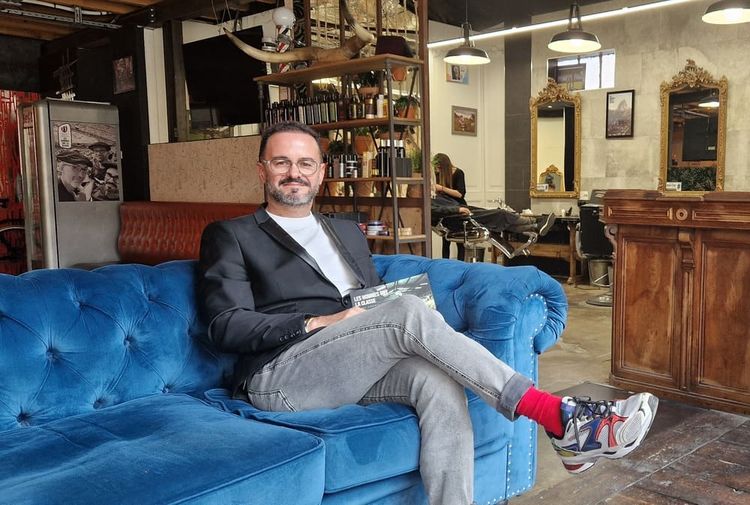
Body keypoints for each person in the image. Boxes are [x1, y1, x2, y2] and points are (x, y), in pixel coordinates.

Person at [198, 121, 658, 505]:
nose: (293, 173)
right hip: (281, 378)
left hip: (351, 365)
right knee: (404, 311)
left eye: (305, 164)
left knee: (436, 381)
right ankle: (558, 417)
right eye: (282, 162)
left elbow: (367, 303)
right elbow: (225, 325)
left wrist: (400, 318)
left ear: (321, 174)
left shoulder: (345, 232)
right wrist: (318, 322)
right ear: (262, 170)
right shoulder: (233, 234)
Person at [431, 153, 557, 258]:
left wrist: (449, 198)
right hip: (460, 216)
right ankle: (535, 222)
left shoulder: (456, 175)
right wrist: (457, 209)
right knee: (500, 214)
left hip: (464, 211)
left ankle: (535, 226)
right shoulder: (431, 200)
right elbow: (439, 210)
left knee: (501, 221)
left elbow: (460, 194)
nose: (436, 172)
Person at [433, 153, 468, 260]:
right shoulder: (438, 174)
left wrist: (442, 188)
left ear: (443, 166)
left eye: (438, 168)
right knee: (446, 239)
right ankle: (445, 263)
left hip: (458, 207)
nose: (436, 170)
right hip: (446, 208)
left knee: (460, 240)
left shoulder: (458, 173)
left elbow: (460, 194)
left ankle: (461, 264)